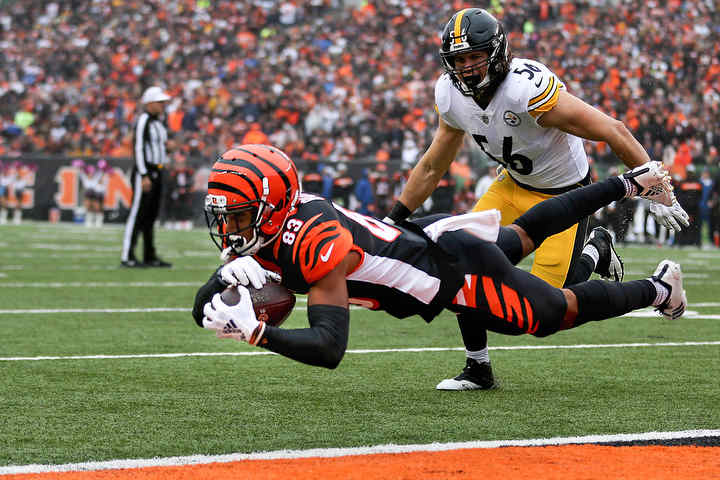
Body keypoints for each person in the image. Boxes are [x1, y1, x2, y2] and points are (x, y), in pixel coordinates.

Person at [383, 8, 691, 390]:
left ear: (496, 53)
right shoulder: (449, 95)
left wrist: (659, 191)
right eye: (458, 60)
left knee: (544, 310)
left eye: (474, 56)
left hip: (564, 196)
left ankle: (595, 250)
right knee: (463, 259)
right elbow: (431, 166)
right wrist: (392, 221)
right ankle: (478, 367)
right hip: (511, 186)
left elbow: (613, 130)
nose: (465, 68)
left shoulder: (526, 88)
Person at [192, 145, 686, 375]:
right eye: (226, 218)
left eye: (237, 217)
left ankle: (660, 288)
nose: (229, 230)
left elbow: (329, 348)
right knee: (521, 235)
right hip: (427, 241)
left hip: (451, 270)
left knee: (551, 315)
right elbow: (202, 310)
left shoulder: (313, 238)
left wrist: (258, 333)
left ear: (273, 207)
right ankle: (614, 212)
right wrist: (222, 277)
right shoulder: (264, 233)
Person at [121, 86, 173, 268]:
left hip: (157, 171)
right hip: (146, 172)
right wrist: (143, 174)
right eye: (159, 102)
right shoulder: (143, 120)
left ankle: (149, 255)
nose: (163, 105)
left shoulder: (159, 122)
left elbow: (161, 146)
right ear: (149, 103)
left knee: (150, 216)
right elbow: (138, 148)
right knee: (137, 214)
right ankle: (127, 256)